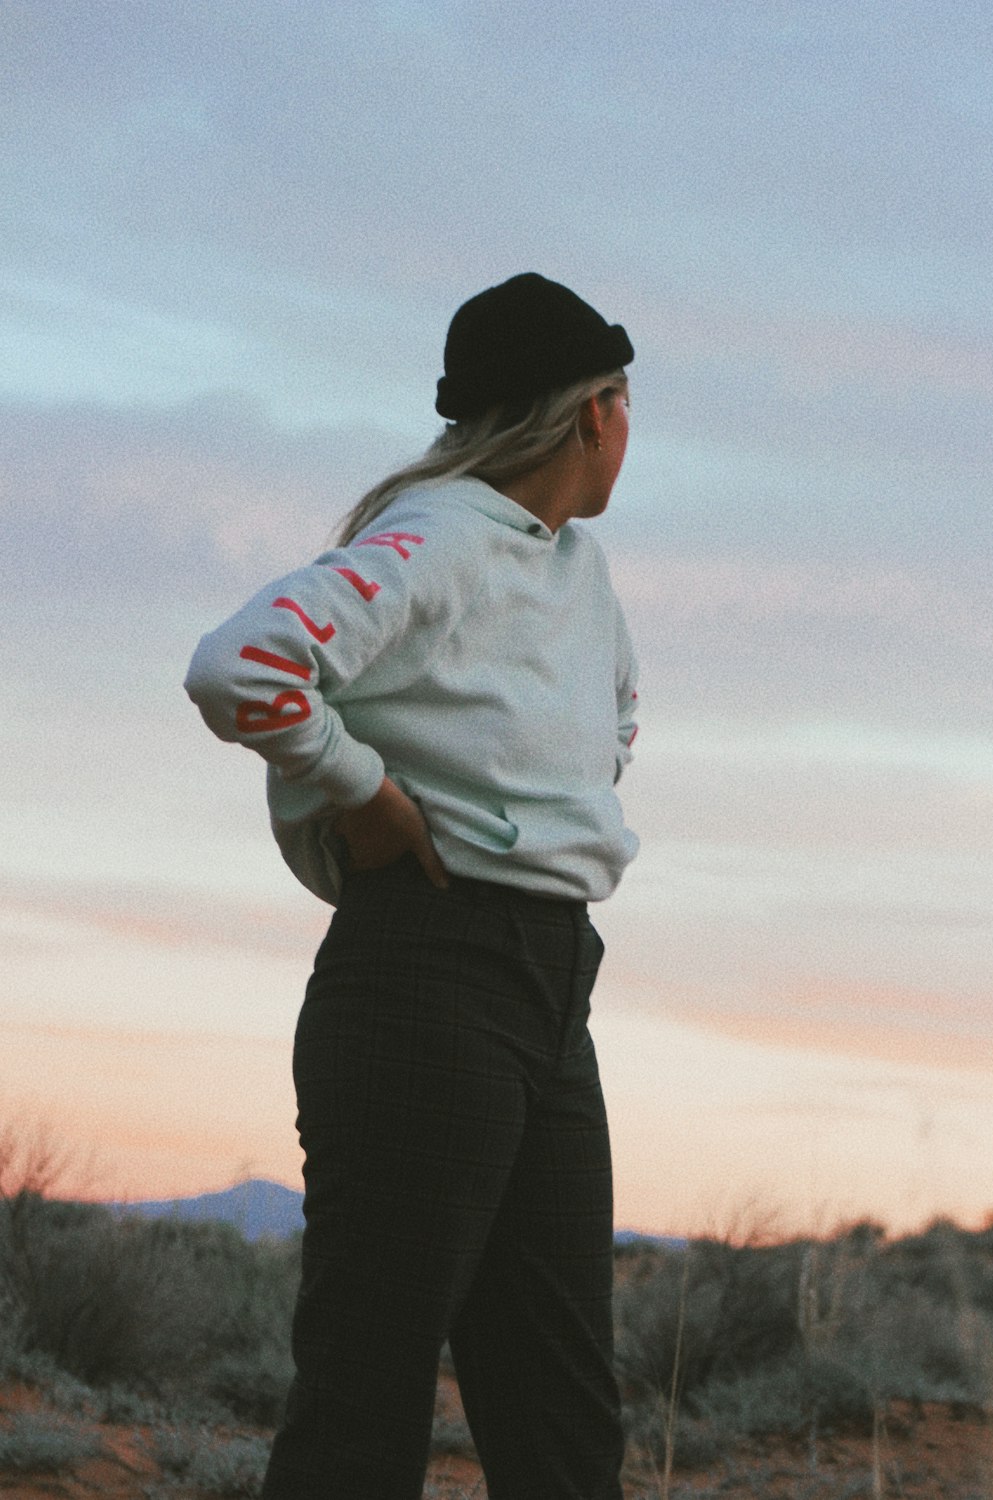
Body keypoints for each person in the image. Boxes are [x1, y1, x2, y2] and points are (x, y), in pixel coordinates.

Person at [185, 271, 639, 1500]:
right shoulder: (438, 536)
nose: (626, 425)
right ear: (590, 412)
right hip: (425, 975)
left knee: (561, 1420)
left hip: (551, 986)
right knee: (364, 1411)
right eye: (620, 398)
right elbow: (242, 665)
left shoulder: (574, 569)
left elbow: (613, 723)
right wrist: (361, 791)